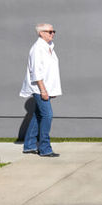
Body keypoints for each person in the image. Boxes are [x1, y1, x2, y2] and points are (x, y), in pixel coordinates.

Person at [19, 22, 62, 157]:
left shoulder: (49, 47)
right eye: (50, 31)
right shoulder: (37, 49)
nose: (53, 34)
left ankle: (29, 146)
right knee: (47, 115)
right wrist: (43, 90)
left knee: (38, 115)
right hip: (39, 88)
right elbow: (36, 72)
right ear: (41, 33)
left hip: (46, 88)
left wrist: (52, 90)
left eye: (53, 31)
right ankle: (45, 148)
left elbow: (50, 70)